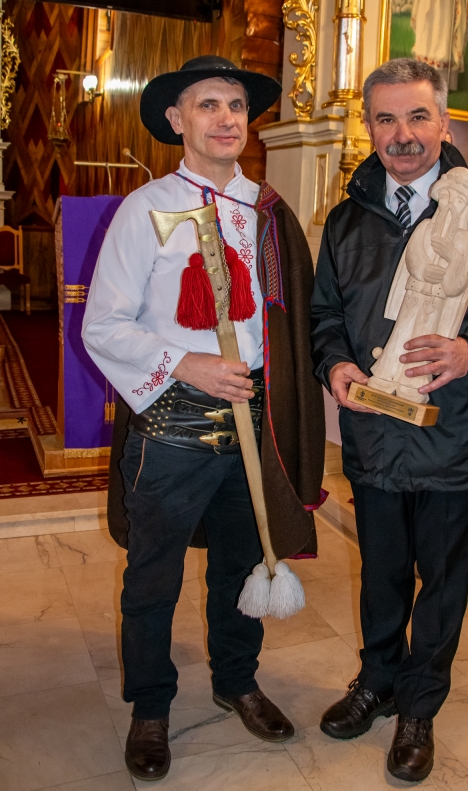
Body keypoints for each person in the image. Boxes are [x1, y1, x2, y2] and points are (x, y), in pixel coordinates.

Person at [311, 58, 468, 783]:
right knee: (381, 572)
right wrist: (335, 365)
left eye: (418, 116)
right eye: (386, 119)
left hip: (457, 434)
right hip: (375, 432)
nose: (403, 134)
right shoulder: (347, 217)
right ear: (369, 127)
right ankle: (378, 682)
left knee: (443, 581)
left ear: (445, 124)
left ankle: (420, 707)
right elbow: (326, 316)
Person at [82, 56, 325, 782]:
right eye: (209, 104)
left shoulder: (270, 214)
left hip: (255, 423)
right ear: (176, 119)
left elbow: (294, 323)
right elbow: (103, 325)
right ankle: (150, 706)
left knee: (241, 568)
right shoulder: (145, 209)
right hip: (173, 426)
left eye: (236, 106)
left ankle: (236, 682)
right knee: (152, 579)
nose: (226, 118)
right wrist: (185, 363)